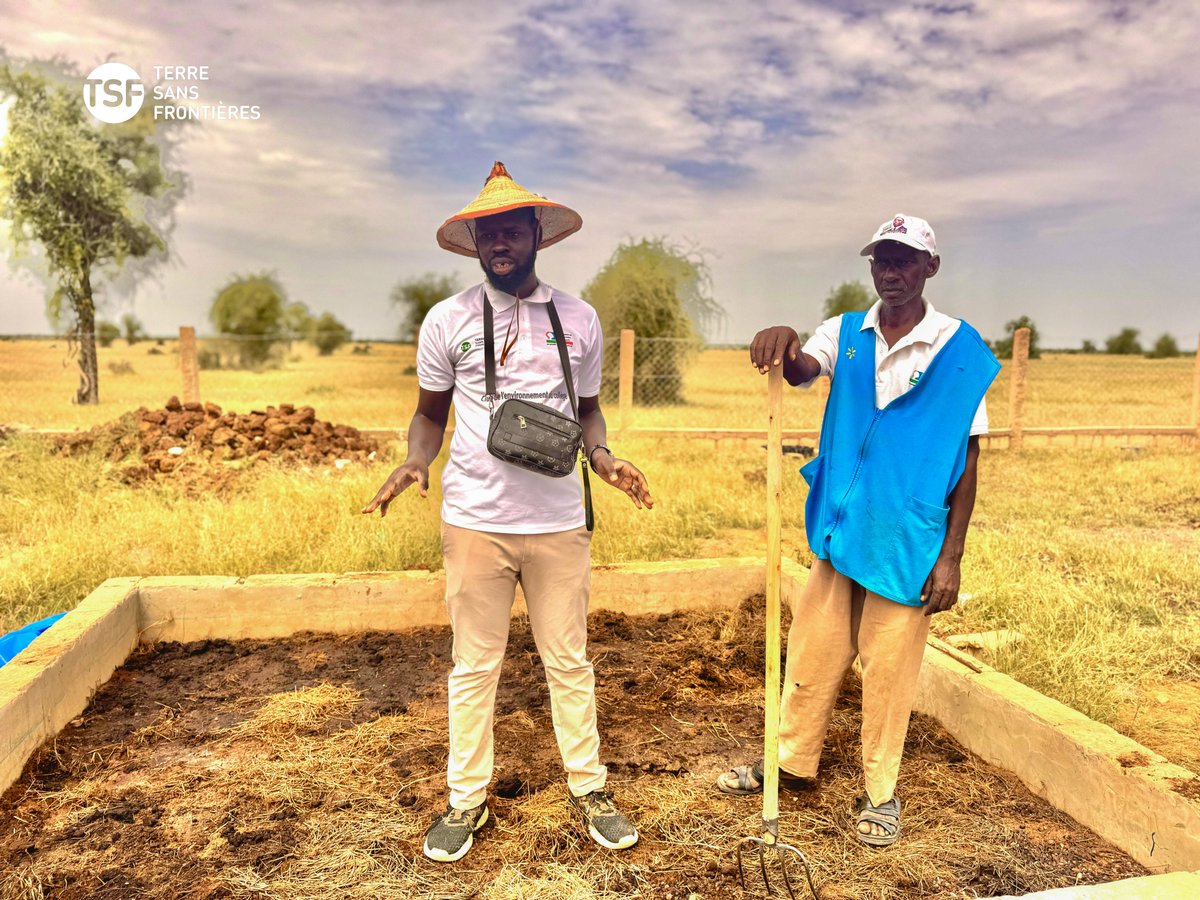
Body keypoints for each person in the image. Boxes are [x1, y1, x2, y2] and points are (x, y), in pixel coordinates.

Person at [363, 161, 654, 864]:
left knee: (569, 660)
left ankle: (589, 789)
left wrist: (604, 456)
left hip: (558, 521)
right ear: (474, 241)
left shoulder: (579, 319)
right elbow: (429, 414)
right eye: (488, 232)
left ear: (535, 236)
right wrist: (416, 459)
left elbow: (589, 412)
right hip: (475, 520)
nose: (500, 242)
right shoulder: (448, 320)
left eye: (512, 231)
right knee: (474, 665)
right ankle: (467, 799)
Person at [717, 215, 999, 848]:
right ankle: (791, 764)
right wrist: (787, 343)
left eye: (904, 260)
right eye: (881, 260)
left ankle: (880, 792)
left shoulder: (960, 352)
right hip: (841, 530)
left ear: (930, 267)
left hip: (906, 539)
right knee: (811, 655)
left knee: (889, 671)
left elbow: (969, 455)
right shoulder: (846, 332)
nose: (890, 272)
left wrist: (951, 557)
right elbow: (802, 369)